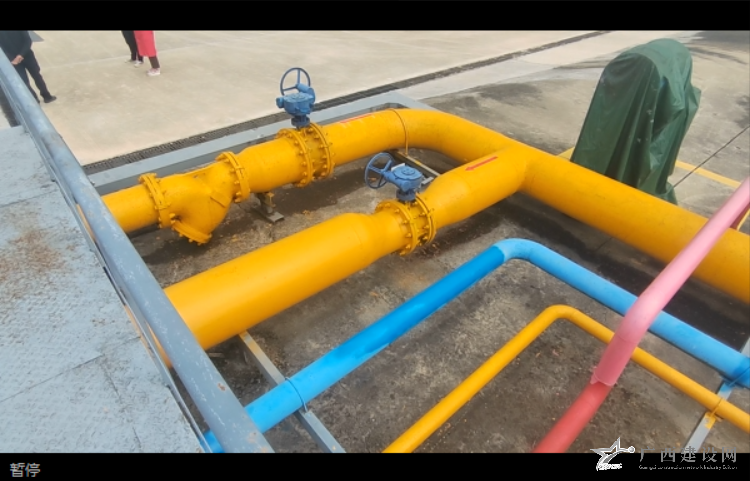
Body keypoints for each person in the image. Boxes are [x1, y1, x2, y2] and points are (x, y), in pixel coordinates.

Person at [0, 30, 56, 104]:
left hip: (14, 60)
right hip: (27, 56)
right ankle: (46, 96)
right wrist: (21, 55)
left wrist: (12, 59)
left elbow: (2, 49)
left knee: (24, 81)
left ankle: (34, 99)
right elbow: (27, 40)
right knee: (37, 76)